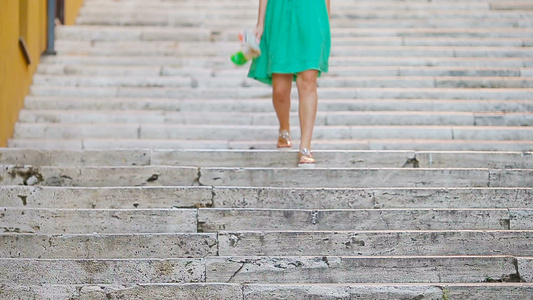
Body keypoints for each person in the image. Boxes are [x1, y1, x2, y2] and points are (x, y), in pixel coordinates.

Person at [248, 0, 331, 167]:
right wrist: (260, 22)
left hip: (312, 13)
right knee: (280, 89)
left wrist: (325, 21)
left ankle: (305, 146)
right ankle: (284, 128)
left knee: (308, 81)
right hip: (280, 13)